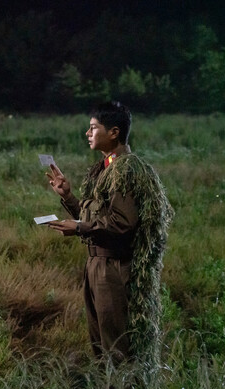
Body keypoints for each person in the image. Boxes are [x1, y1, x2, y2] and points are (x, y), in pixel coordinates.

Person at [46, 101, 173, 374]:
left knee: (117, 349)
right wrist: (67, 196)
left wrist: (79, 228)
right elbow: (95, 216)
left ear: (114, 132)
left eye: (93, 128)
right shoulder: (106, 169)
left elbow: (121, 225)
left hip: (114, 269)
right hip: (95, 267)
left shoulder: (126, 171)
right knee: (100, 348)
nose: (88, 133)